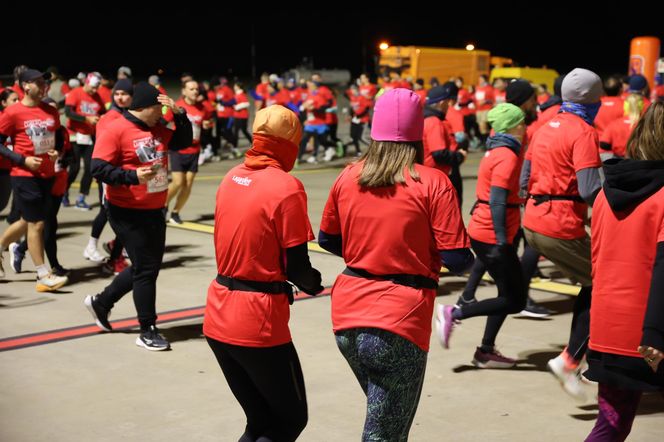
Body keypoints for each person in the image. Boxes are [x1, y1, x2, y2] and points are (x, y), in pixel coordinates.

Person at [318, 89, 473, 440]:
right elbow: (457, 260)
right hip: (398, 322)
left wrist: (368, 251)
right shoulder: (433, 182)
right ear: (418, 133)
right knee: (384, 434)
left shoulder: (349, 176)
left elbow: (327, 239)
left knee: (386, 420)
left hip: (347, 318)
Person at [204, 105, 323, 441]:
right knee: (290, 420)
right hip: (256, 322)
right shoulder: (285, 186)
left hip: (218, 314)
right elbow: (298, 269)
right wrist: (315, 284)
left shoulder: (231, 177)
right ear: (290, 145)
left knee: (259, 420)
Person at [84, 82, 192, 351]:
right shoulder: (116, 129)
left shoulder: (157, 129)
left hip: (155, 207)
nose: (162, 114)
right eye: (159, 109)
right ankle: (147, 329)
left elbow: (182, 141)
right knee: (146, 269)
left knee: (147, 266)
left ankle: (101, 303)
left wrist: (179, 115)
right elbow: (97, 168)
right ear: (144, 107)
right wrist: (131, 176)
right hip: (125, 210)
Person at [583, 102, 664, 441]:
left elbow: (598, 261)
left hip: (607, 331)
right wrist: (655, 334)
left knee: (611, 426)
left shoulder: (604, 193)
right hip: (651, 333)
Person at [522, 68, 603, 401]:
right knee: (605, 283)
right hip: (560, 225)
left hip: (533, 223)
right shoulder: (584, 132)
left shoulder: (543, 127)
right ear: (592, 100)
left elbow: (524, 182)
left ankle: (578, 357)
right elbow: (589, 190)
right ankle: (571, 359)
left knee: (591, 281)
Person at [436, 103, 528, 368]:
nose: (524, 127)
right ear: (512, 127)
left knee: (504, 294)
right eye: (520, 123)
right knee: (515, 300)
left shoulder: (496, 149)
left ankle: (486, 351)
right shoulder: (507, 156)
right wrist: (502, 241)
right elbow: (497, 199)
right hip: (491, 233)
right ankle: (455, 312)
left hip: (484, 229)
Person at [0, 69, 68, 291]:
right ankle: (42, 275)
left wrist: (57, 151)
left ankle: (0, 246)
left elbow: (58, 135)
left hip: (47, 175)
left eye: (44, 82)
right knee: (37, 224)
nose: (44, 85)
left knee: (28, 220)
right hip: (24, 175)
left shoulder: (50, 110)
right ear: (26, 86)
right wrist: (22, 160)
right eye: (39, 82)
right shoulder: (13, 112)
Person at [83, 78, 134, 272]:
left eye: (125, 94)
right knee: (112, 212)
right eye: (118, 94)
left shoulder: (127, 115)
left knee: (112, 213)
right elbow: (104, 148)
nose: (120, 97)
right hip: (111, 173)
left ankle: (113, 248)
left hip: (125, 173)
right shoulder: (110, 118)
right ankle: (99, 249)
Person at [164, 79, 213, 225]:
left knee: (188, 184)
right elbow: (163, 121)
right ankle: (163, 206)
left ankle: (175, 212)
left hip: (194, 150)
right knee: (178, 182)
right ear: (184, 91)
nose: (195, 91)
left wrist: (207, 124)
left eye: (196, 89)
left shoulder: (202, 108)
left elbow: (208, 122)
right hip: (178, 149)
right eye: (191, 89)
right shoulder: (177, 106)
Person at [64, 72, 105, 210]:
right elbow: (68, 112)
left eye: (96, 88)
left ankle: (81, 197)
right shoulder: (76, 93)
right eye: (92, 87)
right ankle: (64, 192)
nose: (94, 91)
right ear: (86, 83)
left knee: (90, 168)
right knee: (74, 168)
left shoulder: (97, 97)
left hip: (88, 136)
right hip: (74, 135)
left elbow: (103, 112)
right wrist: (86, 118)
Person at [422, 82, 466, 206]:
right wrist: (459, 156)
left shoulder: (425, 118)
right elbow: (439, 153)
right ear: (442, 103)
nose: (449, 106)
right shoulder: (434, 122)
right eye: (447, 102)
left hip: (429, 175)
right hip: (437, 175)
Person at [599, 93, 644, 160]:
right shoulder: (645, 124)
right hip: (641, 160)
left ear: (625, 106)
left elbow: (604, 144)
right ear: (641, 106)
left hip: (619, 160)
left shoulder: (615, 124)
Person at [0, 89, 19, 212]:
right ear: (3, 102)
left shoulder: (20, 117)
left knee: (3, 202)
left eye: (19, 99)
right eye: (14, 100)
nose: (18, 102)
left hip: (9, 166)